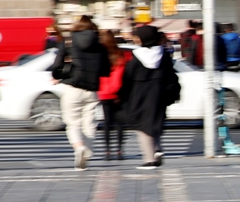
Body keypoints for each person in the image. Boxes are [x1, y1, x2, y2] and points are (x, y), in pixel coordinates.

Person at [52, 15, 109, 171]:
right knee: (89, 123)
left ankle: (79, 148)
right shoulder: (100, 45)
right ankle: (87, 156)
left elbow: (56, 65)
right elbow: (106, 69)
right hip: (92, 89)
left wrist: (58, 77)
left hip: (72, 87)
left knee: (72, 122)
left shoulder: (68, 41)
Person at [119, 25, 180, 170]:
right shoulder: (163, 54)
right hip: (158, 93)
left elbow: (127, 76)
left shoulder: (136, 55)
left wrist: (122, 94)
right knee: (155, 122)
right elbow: (171, 75)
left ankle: (149, 160)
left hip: (139, 94)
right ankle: (157, 150)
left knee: (142, 126)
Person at [97, 30, 130, 160]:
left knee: (107, 122)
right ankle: (119, 150)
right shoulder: (121, 53)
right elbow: (125, 71)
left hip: (104, 92)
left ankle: (107, 151)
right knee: (119, 123)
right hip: (119, 91)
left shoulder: (100, 54)